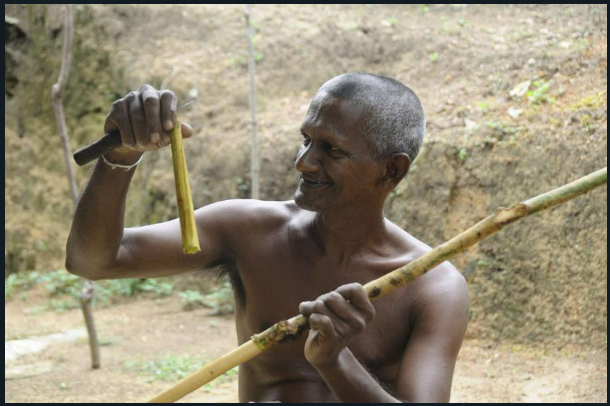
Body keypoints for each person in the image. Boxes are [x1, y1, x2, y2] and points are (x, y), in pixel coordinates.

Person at [66, 72, 469, 403]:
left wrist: (334, 362)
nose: (304, 162)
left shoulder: (431, 286)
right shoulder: (247, 230)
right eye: (306, 139)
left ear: (392, 171)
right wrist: (118, 157)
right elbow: (93, 261)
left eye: (332, 150)